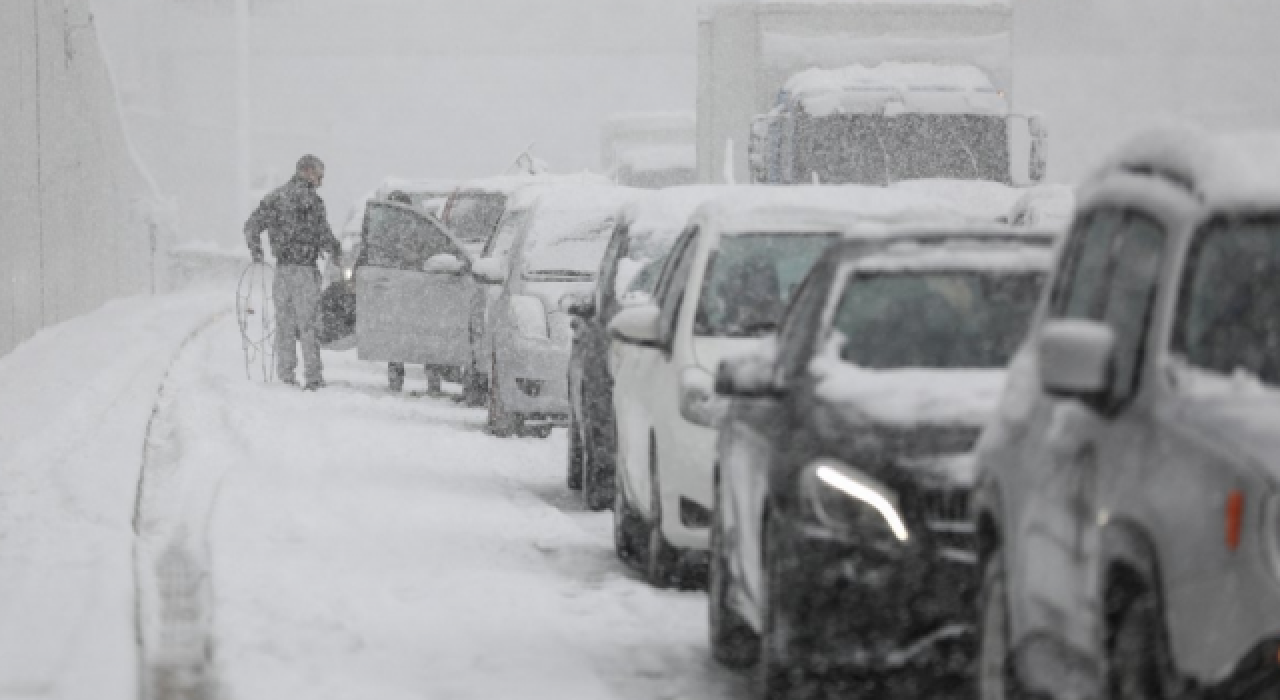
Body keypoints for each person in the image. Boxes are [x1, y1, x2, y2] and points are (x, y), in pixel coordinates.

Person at [245, 155, 341, 390]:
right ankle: (313, 378)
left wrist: (257, 253)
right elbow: (324, 235)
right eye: (319, 175)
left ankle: (286, 375)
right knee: (308, 326)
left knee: (285, 324)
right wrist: (336, 251)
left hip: (282, 271)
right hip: (305, 271)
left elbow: (252, 226)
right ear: (307, 171)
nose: (321, 181)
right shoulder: (314, 202)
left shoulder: (276, 198)